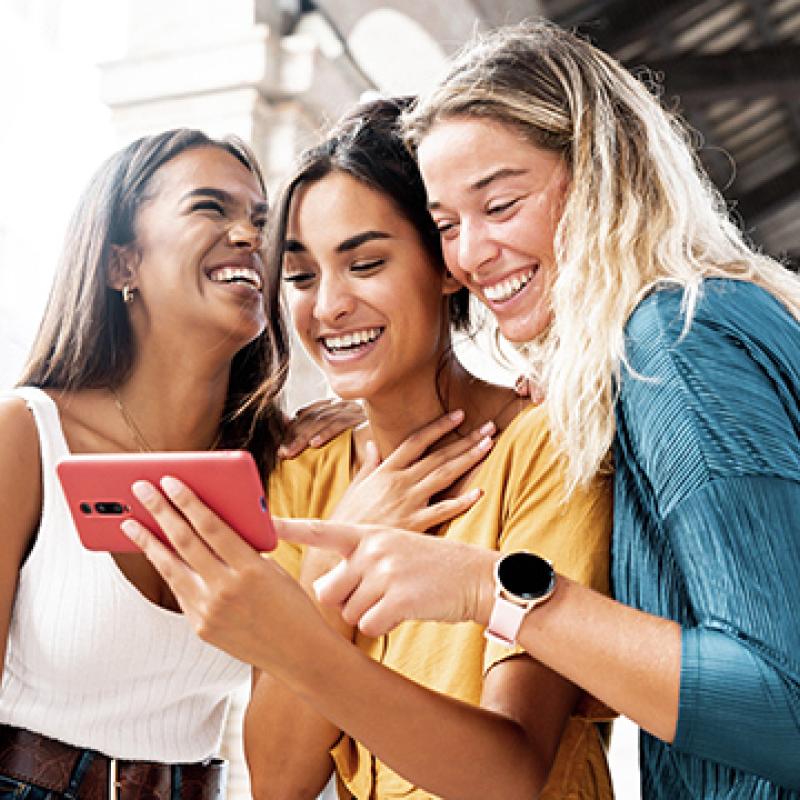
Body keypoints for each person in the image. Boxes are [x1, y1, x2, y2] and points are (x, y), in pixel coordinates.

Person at [269, 19, 800, 799]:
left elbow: (785, 706)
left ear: (599, 173)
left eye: (502, 204)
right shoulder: (677, 338)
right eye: (448, 224)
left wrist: (492, 589)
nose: (472, 254)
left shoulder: (676, 340)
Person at [121, 97, 614, 799]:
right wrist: (330, 576)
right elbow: (281, 780)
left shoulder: (544, 446)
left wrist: (308, 615)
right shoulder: (306, 476)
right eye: (300, 276)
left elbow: (508, 776)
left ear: (446, 263)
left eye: (366, 263)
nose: (326, 308)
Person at [0, 127, 361, 800]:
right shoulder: (26, 434)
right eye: (210, 208)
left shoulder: (284, 470)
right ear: (121, 265)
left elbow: (291, 760)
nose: (250, 236)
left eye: (260, 220)